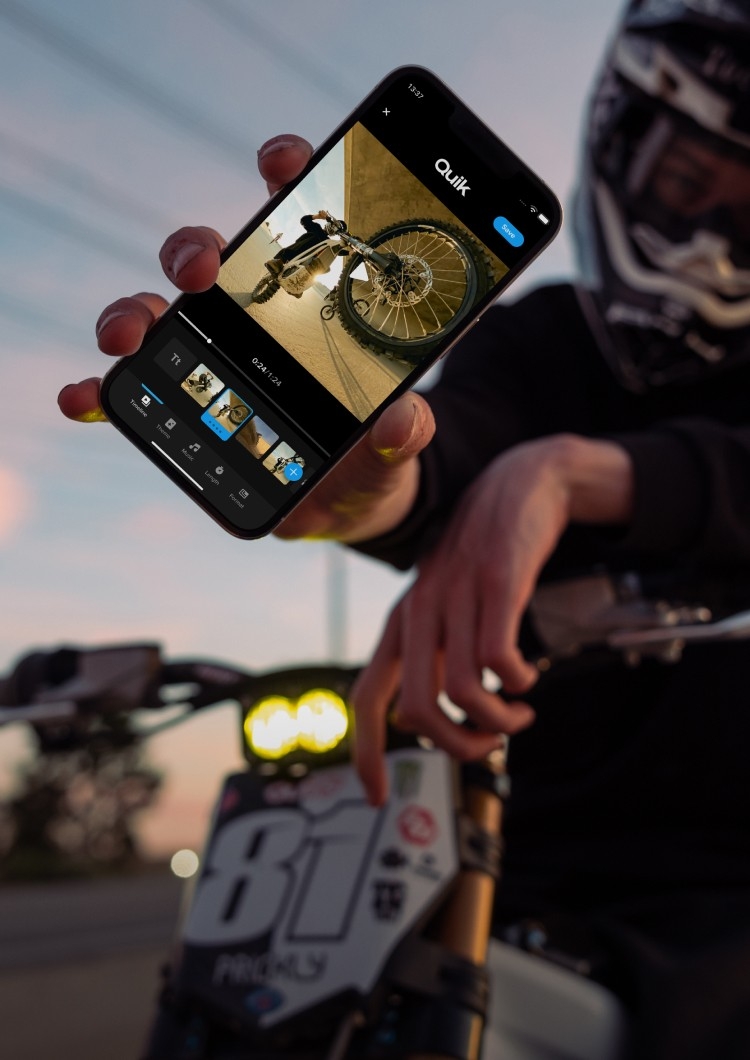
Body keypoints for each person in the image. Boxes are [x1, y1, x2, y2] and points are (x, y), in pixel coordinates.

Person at [58, 2, 750, 1056]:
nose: (709, 235)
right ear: (620, 135)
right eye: (691, 182)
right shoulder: (537, 342)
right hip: (506, 857)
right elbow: (443, 456)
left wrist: (567, 473)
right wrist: (369, 488)